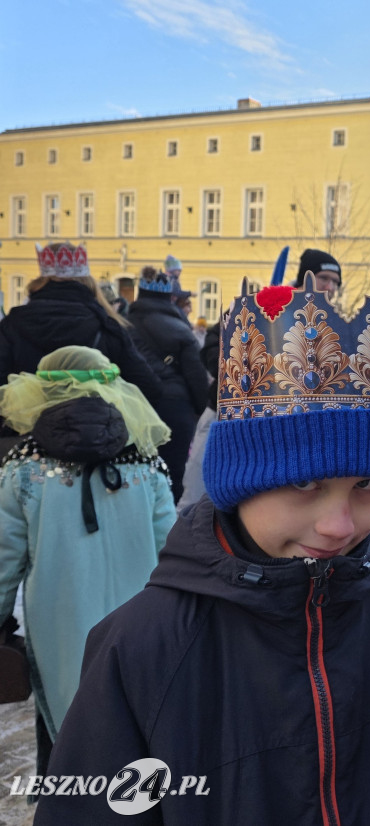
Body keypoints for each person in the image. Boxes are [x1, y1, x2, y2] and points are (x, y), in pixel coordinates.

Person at [35, 276, 370, 825]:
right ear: (240, 481)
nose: (339, 524)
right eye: (305, 485)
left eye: (365, 485)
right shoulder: (142, 649)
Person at [0, 346, 174, 780]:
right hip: (142, 624)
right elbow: (172, 548)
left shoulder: (23, 465)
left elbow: (4, 559)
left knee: (66, 732)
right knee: (136, 725)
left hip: (58, 624)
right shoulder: (146, 461)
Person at [0, 243, 161, 406]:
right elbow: (149, 387)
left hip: (24, 427)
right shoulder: (106, 327)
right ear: (87, 280)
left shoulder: (11, 324)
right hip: (94, 428)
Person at [127, 267, 210, 502]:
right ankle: (169, 534)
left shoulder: (122, 325)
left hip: (133, 408)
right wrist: (199, 409)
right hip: (175, 408)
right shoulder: (181, 329)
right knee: (171, 476)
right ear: (170, 298)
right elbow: (196, 376)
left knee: (135, 474)